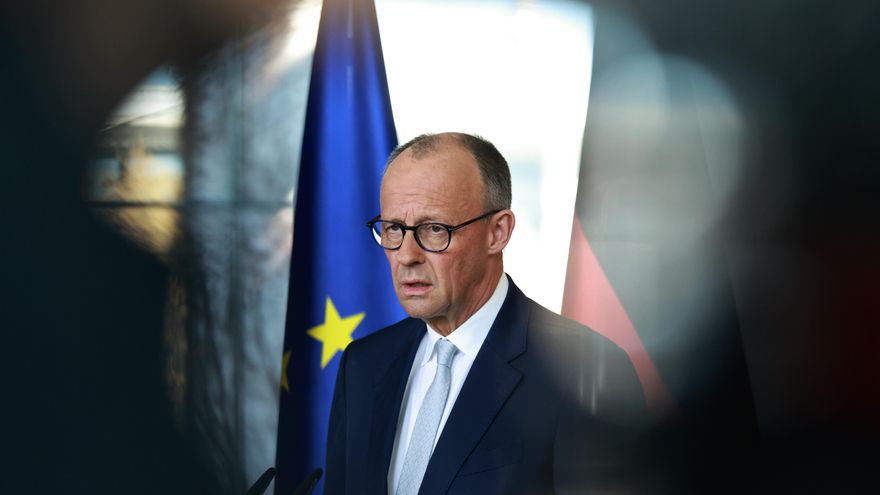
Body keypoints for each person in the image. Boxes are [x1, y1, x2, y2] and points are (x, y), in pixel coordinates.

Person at [324, 132, 646, 495]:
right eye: (394, 229)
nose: (406, 255)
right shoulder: (364, 365)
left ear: (498, 232)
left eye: (434, 229)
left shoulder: (584, 374)